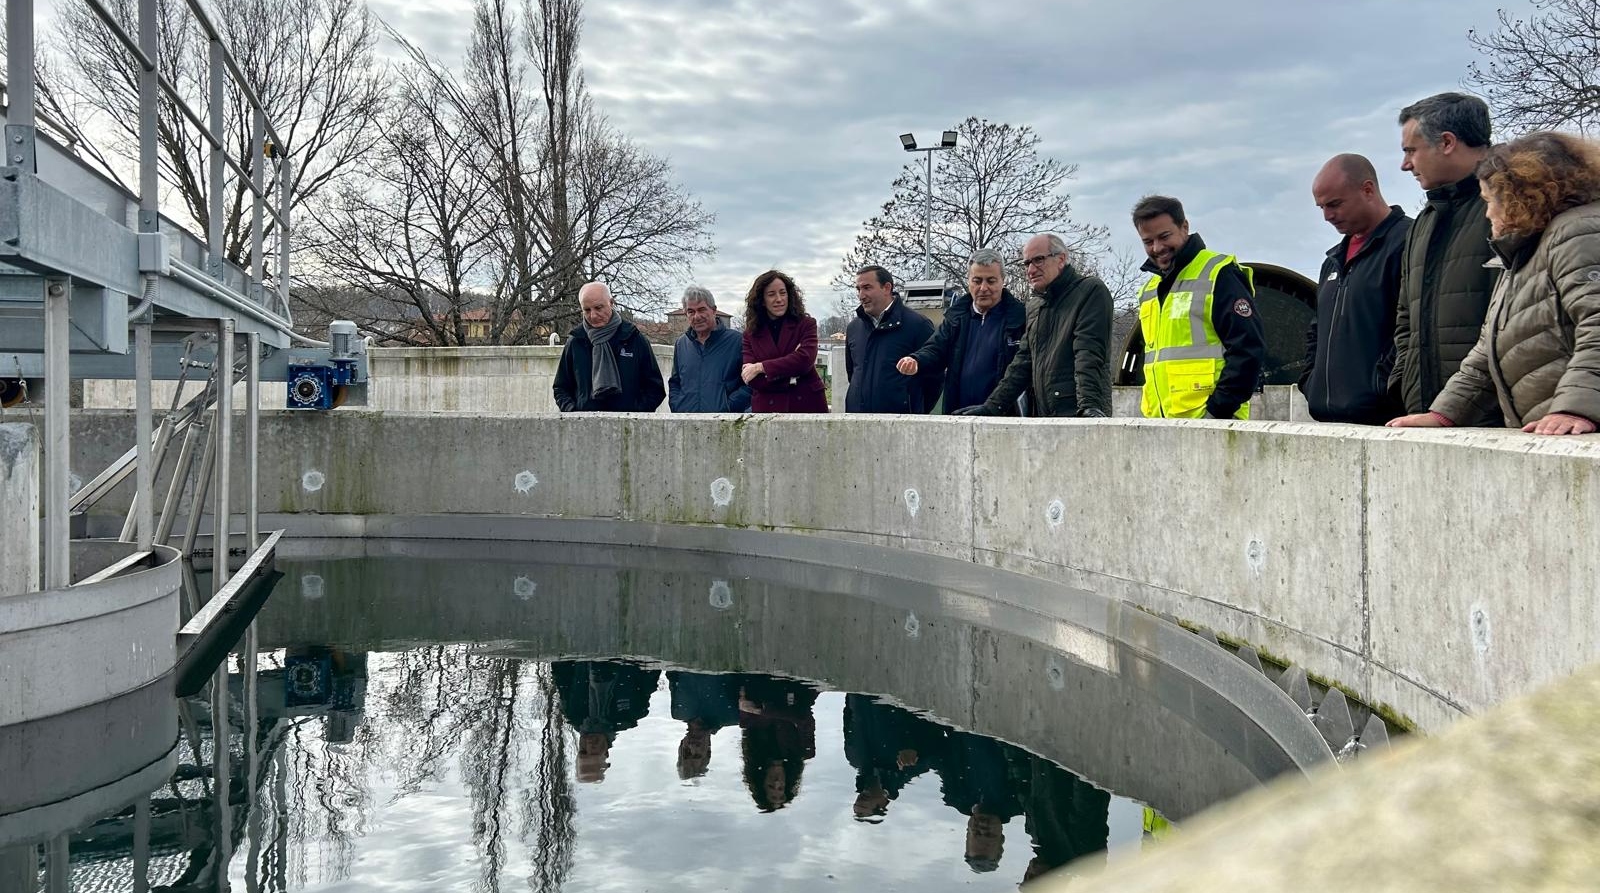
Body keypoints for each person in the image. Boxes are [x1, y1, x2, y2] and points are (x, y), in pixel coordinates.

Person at [1388, 131, 1600, 436]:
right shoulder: (1522, 255)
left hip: (1578, 433)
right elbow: (1486, 354)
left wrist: (1576, 409)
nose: (1487, 213)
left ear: (1521, 194)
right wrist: (1444, 414)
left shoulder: (1579, 233)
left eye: (1489, 200)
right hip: (1553, 435)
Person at [1390, 92, 1499, 424]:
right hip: (1425, 418)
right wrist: (1404, 385)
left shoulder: (1512, 208)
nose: (1405, 164)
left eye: (1411, 150)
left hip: (1499, 422)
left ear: (1447, 142)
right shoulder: (1423, 223)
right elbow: (1405, 320)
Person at [1299, 154, 1413, 424]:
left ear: (1368, 190)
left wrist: (1381, 388)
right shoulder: (1332, 261)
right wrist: (1310, 381)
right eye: (1321, 207)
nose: (1327, 216)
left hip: (1386, 422)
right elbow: (1317, 329)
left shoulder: (1409, 243)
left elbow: (1414, 327)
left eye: (1334, 204)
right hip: (1326, 420)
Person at [1129, 195, 1264, 419]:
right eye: (1148, 242)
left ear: (1184, 227)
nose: (1157, 248)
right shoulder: (1149, 290)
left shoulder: (1219, 273)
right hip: (1163, 425)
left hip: (1214, 423)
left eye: (1164, 236)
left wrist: (1217, 411)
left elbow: (1248, 350)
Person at [951, 234, 1113, 418]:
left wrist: (1089, 408)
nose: (1031, 270)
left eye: (1038, 260)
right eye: (1027, 263)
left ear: (1061, 259)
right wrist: (992, 407)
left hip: (1079, 413)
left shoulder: (1090, 291)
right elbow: (1022, 363)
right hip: (1045, 417)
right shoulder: (1036, 305)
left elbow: (1089, 354)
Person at [897, 249, 1028, 413]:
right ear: (969, 281)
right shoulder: (955, 319)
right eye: (977, 281)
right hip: (959, 416)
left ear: (1003, 280)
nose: (983, 288)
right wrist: (916, 360)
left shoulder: (1021, 320)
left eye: (991, 281)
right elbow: (936, 349)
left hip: (1003, 418)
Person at [552, 282, 666, 413]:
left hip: (627, 422)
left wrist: (635, 413)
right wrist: (572, 412)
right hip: (584, 423)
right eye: (587, 310)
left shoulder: (634, 338)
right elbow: (561, 388)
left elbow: (655, 388)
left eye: (598, 308)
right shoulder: (575, 341)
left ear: (611, 303)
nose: (593, 315)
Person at [844, 265, 940, 413]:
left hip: (902, 423)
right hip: (857, 420)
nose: (861, 296)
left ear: (887, 288)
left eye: (867, 288)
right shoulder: (853, 328)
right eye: (858, 289)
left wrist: (915, 411)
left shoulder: (918, 325)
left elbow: (935, 376)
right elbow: (853, 374)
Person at [551, 660, 662, 784]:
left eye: (583, 751)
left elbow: (561, 670)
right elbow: (651, 671)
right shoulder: (631, 714)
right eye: (594, 753)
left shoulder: (573, 713)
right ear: (606, 753)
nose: (589, 746)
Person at [842, 694, 947, 821]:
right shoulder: (908, 768)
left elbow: (848, 718)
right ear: (883, 804)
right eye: (864, 806)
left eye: (857, 803)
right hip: (898, 691)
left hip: (861, 692)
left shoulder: (853, 758)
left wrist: (851, 694)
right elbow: (937, 737)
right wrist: (915, 748)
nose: (860, 800)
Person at [740, 270, 829, 413]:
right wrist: (792, 377)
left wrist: (761, 367)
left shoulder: (806, 324)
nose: (779, 299)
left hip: (806, 405)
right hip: (767, 409)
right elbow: (752, 379)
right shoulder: (750, 334)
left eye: (783, 293)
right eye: (771, 294)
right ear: (761, 300)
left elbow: (805, 360)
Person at [737, 676, 819, 811]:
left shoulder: (754, 749)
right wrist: (763, 711)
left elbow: (746, 714)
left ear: (761, 782)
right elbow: (804, 718)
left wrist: (769, 712)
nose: (777, 782)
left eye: (771, 786)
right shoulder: (805, 752)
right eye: (780, 788)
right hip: (800, 684)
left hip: (764, 683)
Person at [668, 286, 751, 413]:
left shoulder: (737, 342)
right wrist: (677, 405)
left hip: (725, 421)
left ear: (714, 310)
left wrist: (728, 407)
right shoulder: (681, 344)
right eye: (691, 311)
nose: (697, 316)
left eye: (702, 309)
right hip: (686, 420)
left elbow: (750, 383)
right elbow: (675, 382)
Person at [668, 669, 742, 780]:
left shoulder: (678, 712)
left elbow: (672, 674)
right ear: (708, 751)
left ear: (682, 744)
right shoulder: (732, 716)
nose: (693, 747)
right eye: (697, 755)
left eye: (687, 752)